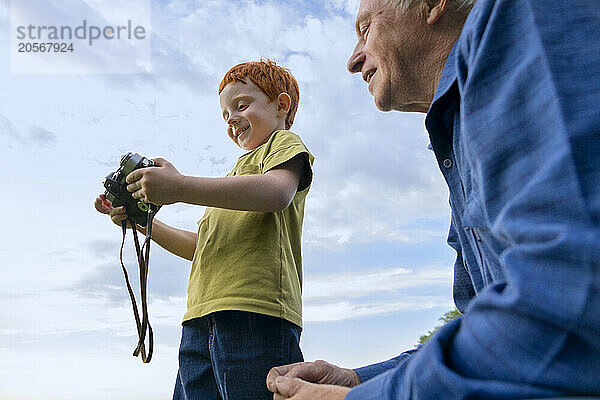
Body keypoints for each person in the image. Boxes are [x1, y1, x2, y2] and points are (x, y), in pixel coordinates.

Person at [267, 0, 600, 399]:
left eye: (365, 28)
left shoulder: (524, 13)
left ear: (431, 5)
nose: (353, 61)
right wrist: (357, 380)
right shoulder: (455, 141)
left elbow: (573, 299)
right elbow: (481, 330)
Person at [94, 59, 314, 400]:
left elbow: (277, 192)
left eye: (241, 106)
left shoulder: (282, 143)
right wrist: (142, 222)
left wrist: (180, 187)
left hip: (255, 314)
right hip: (199, 318)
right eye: (225, 115)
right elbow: (200, 248)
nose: (232, 120)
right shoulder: (231, 181)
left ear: (281, 105)